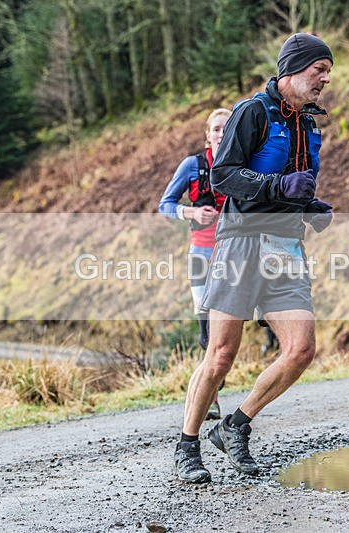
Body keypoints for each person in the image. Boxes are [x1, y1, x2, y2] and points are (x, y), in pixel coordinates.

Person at [174, 33, 334, 483]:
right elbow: (223, 177)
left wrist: (309, 206)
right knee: (221, 354)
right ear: (292, 70)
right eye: (319, 69)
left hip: (286, 247)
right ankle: (187, 445)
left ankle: (235, 425)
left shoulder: (310, 126)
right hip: (241, 242)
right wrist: (276, 187)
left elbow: (297, 184)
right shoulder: (253, 112)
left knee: (301, 349)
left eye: (328, 72)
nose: (325, 79)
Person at [159, 107, 231, 421]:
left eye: (227, 127)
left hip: (235, 255)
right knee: (207, 333)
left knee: (227, 332)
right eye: (216, 128)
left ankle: (214, 381)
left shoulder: (244, 164)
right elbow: (165, 205)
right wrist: (192, 212)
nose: (221, 133)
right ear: (207, 135)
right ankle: (210, 398)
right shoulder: (193, 165)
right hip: (201, 254)